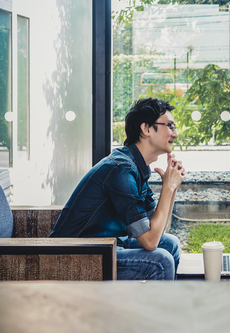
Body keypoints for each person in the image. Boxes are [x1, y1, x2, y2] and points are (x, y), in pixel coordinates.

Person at [50, 98, 185, 281]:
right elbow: (150, 241)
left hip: (107, 246)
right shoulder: (121, 169)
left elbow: (157, 229)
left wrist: (172, 187)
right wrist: (167, 187)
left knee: (171, 243)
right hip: (74, 255)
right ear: (145, 129)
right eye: (169, 126)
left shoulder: (136, 166)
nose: (175, 134)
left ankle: (149, 305)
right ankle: (155, 309)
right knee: (161, 262)